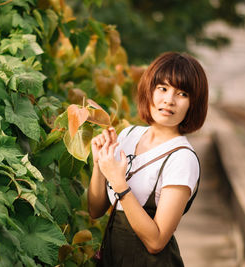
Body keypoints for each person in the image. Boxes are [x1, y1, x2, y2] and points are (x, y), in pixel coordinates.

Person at [87, 51, 208, 266]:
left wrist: (119, 182)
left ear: (193, 104)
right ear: (149, 91)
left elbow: (156, 241)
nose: (169, 100)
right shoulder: (127, 135)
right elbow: (95, 210)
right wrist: (99, 163)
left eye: (182, 94)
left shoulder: (181, 158)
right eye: (162, 88)